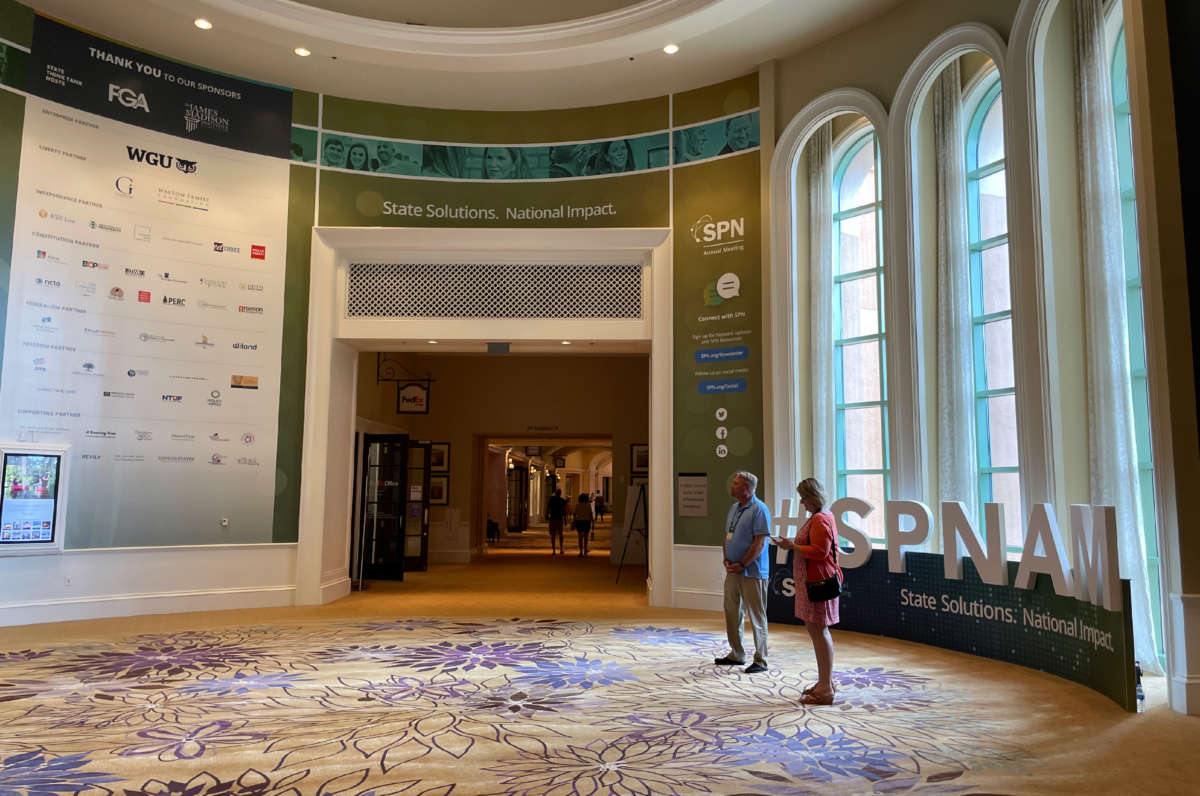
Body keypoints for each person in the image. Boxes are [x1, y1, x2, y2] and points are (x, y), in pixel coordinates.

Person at [774, 477, 842, 704]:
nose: (802, 502)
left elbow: (820, 552)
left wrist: (793, 546)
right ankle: (825, 682)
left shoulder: (821, 519)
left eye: (804, 498)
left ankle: (825, 689)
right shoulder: (821, 516)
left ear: (813, 497)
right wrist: (792, 543)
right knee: (817, 632)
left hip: (817, 583)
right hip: (813, 581)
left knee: (819, 632)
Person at [714, 470, 772, 674]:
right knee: (732, 612)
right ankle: (737, 654)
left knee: (757, 616)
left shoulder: (759, 510)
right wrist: (726, 557)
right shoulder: (734, 508)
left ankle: (761, 659)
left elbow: (760, 543)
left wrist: (743, 563)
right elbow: (728, 535)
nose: (732, 486)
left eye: (736, 483)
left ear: (747, 488)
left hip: (753, 573)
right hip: (732, 570)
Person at [546, 489, 567, 555]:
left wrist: (548, 515)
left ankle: (554, 550)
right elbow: (564, 511)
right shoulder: (562, 500)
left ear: (555, 493)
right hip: (559, 518)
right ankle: (561, 549)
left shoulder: (551, 500)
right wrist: (565, 519)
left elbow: (548, 508)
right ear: (560, 494)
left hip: (552, 518)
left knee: (553, 535)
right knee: (560, 534)